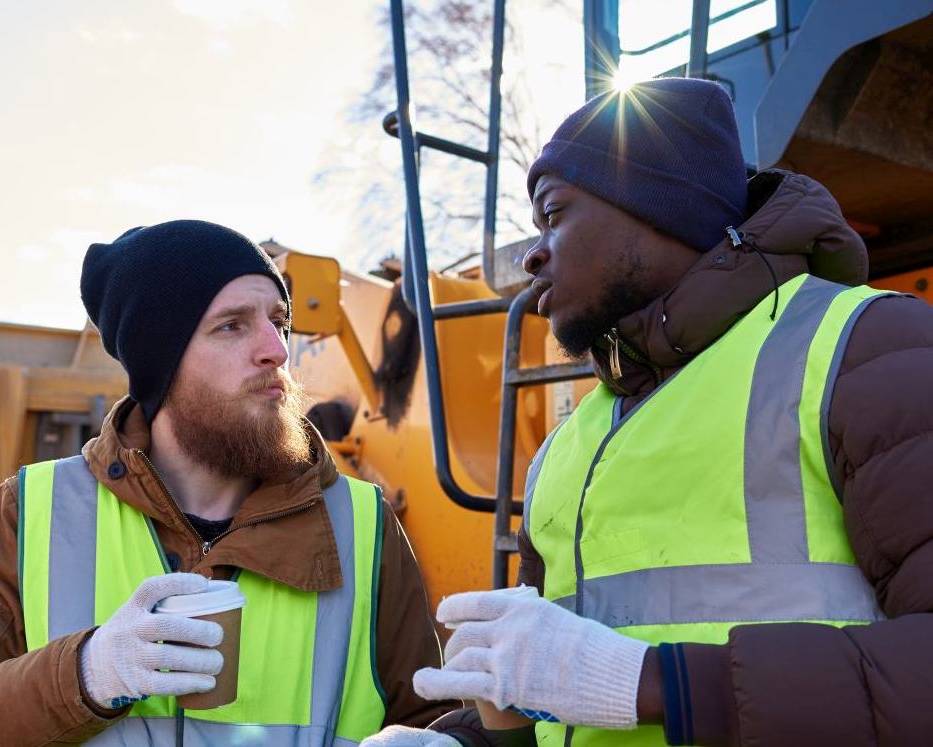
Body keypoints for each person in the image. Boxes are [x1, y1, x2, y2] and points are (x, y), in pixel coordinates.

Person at [390, 78, 933, 746]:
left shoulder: (864, 347)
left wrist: (655, 682)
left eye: (553, 214)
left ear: (658, 210)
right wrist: (466, 740)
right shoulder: (565, 448)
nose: (531, 255)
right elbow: (548, 694)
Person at [0, 220, 456, 745]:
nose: (277, 350)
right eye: (232, 325)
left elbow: (429, 716)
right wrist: (86, 675)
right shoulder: (32, 512)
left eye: (278, 321)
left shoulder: (361, 521)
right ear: (161, 361)